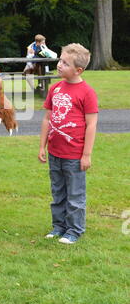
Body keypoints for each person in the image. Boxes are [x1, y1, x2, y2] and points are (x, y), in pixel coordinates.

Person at [38, 43, 98, 244]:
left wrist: (86, 155)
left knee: (75, 195)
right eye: (60, 60)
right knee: (58, 193)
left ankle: (74, 230)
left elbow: (91, 124)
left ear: (78, 70)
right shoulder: (55, 89)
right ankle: (59, 227)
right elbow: (47, 119)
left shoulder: (87, 92)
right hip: (55, 152)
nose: (59, 65)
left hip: (74, 155)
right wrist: (42, 147)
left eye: (65, 63)